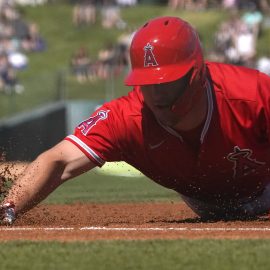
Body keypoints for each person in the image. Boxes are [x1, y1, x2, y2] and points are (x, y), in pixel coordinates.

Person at [2, 16, 270, 224]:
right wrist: (8, 208)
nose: (156, 94)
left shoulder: (253, 93)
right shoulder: (127, 118)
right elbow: (58, 162)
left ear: (197, 74)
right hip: (207, 204)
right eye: (147, 82)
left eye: (167, 82)